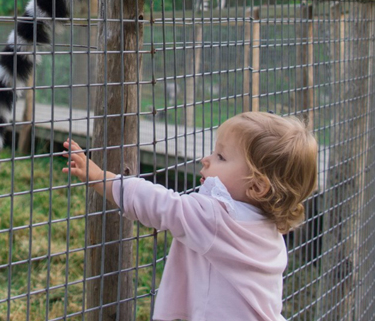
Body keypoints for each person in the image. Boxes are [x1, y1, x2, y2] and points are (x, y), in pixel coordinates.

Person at [62, 111, 318, 321]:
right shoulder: (268, 228)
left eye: (221, 156)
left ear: (257, 187)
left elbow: (159, 203)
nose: (206, 159)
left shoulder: (218, 219)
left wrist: (98, 177)